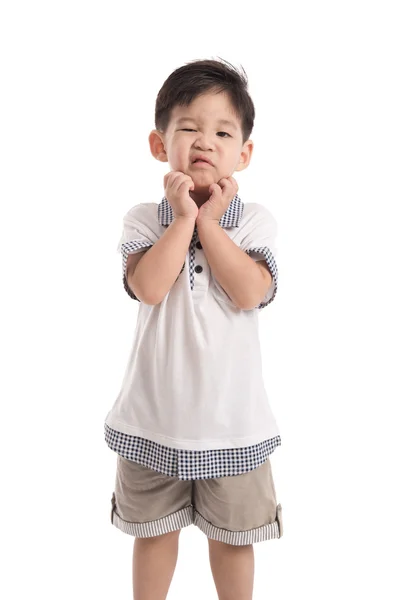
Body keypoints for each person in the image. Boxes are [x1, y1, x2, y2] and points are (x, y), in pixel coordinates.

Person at [104, 57, 283, 600]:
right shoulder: (144, 218)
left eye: (222, 132)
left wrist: (208, 221)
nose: (205, 141)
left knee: (232, 540)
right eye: (188, 128)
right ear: (160, 145)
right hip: (152, 419)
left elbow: (251, 291)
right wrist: (184, 218)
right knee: (152, 535)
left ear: (243, 154)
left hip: (235, 425)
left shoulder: (255, 222)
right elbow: (150, 287)